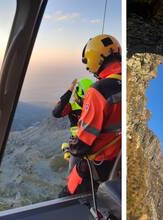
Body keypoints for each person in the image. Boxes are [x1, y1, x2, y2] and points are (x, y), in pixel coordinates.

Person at [63, 34, 122, 196]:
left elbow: (83, 142)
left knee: (65, 199)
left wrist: (71, 148)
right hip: (118, 166)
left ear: (94, 58)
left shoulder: (99, 90)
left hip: (96, 166)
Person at [52, 77, 93, 197]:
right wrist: (68, 92)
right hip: (77, 142)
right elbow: (56, 112)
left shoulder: (93, 105)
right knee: (73, 171)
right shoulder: (72, 106)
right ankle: (72, 192)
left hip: (89, 140)